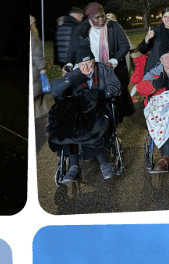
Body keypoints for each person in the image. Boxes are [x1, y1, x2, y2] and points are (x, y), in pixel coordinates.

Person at [47, 49, 123, 182]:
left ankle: (103, 161)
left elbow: (117, 87)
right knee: (67, 123)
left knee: (88, 124)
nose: (86, 67)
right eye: (82, 65)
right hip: (80, 111)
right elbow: (57, 93)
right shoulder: (73, 75)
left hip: (102, 108)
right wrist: (65, 84)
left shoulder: (104, 70)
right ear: (77, 65)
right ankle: (74, 165)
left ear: (94, 61)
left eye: (88, 63)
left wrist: (101, 93)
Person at [66, 2, 134, 120]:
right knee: (95, 97)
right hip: (92, 69)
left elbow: (124, 45)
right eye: (97, 17)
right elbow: (72, 48)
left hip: (113, 68)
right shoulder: (81, 29)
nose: (102, 19)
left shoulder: (113, 26)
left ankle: (115, 121)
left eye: (103, 15)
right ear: (90, 17)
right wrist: (69, 64)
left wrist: (114, 60)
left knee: (115, 96)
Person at [137, 7, 169, 75]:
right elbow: (142, 50)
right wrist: (147, 39)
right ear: (162, 18)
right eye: (165, 16)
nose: (168, 19)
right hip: (155, 70)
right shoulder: (155, 31)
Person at [31, 15, 52, 118]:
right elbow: (37, 55)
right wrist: (43, 68)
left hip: (34, 73)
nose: (35, 25)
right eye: (34, 24)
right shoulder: (33, 36)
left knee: (39, 102)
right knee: (38, 100)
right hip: (36, 74)